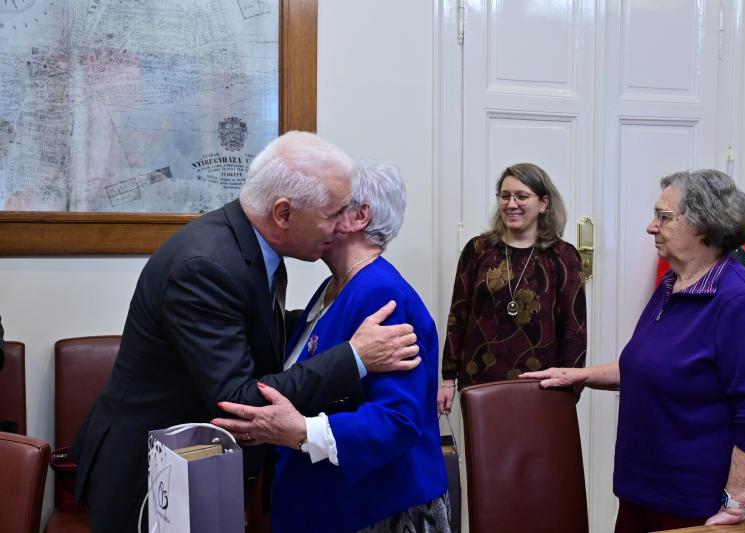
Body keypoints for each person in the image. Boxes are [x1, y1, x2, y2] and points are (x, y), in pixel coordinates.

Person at [71, 132, 421, 533]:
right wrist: (355, 356)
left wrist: (322, 324)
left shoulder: (248, 244)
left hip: (193, 465)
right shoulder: (205, 267)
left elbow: (253, 326)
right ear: (284, 213)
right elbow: (238, 400)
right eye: (333, 213)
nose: (343, 225)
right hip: (150, 479)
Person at [524, 169, 745, 532]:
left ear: (704, 226)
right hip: (641, 492)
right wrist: (578, 374)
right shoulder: (673, 285)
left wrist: (735, 502)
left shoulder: (739, 300)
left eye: (664, 218)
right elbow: (653, 367)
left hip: (695, 506)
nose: (651, 226)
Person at [213, 162, 450, 533]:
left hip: (378, 510)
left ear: (359, 216)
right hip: (332, 503)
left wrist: (301, 431)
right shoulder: (335, 286)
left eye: (328, 203)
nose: (313, 212)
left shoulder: (381, 293)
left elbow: (399, 420)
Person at [437, 162, 586, 414]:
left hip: (541, 386)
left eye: (522, 196)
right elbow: (458, 316)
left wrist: (569, 389)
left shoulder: (563, 256)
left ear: (544, 203)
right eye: (505, 196)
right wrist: (448, 379)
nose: (511, 204)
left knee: (534, 454)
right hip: (480, 381)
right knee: (483, 453)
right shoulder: (478, 250)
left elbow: (574, 329)